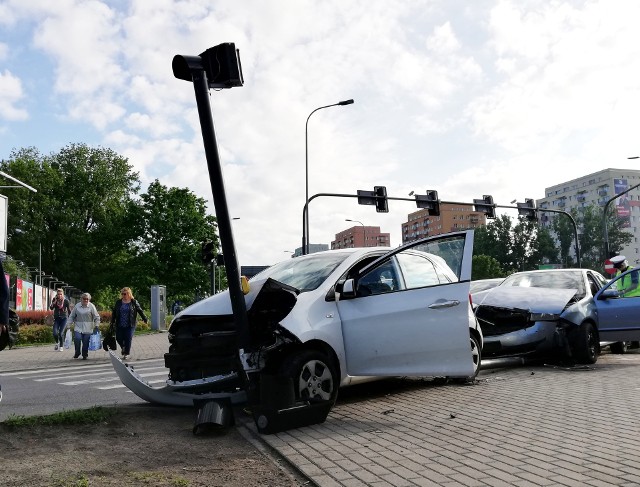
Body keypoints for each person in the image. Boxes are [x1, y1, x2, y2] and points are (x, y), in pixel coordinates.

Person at [110, 287, 148, 360]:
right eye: (122, 294)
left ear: (129, 294)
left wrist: (144, 318)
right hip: (120, 323)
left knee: (128, 338)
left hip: (130, 324)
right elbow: (114, 312)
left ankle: (126, 353)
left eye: (125, 294)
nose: (123, 295)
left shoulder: (133, 302)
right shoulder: (118, 302)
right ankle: (123, 347)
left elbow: (140, 310)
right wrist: (112, 321)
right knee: (118, 338)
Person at [68, 292, 100, 360]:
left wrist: (97, 325)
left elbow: (96, 317)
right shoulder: (77, 306)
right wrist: (69, 325)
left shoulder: (91, 306)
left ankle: (85, 354)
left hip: (88, 328)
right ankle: (77, 352)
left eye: (87, 299)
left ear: (89, 300)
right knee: (77, 339)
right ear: (81, 299)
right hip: (78, 327)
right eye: (84, 299)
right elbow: (72, 316)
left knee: (85, 342)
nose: (85, 300)